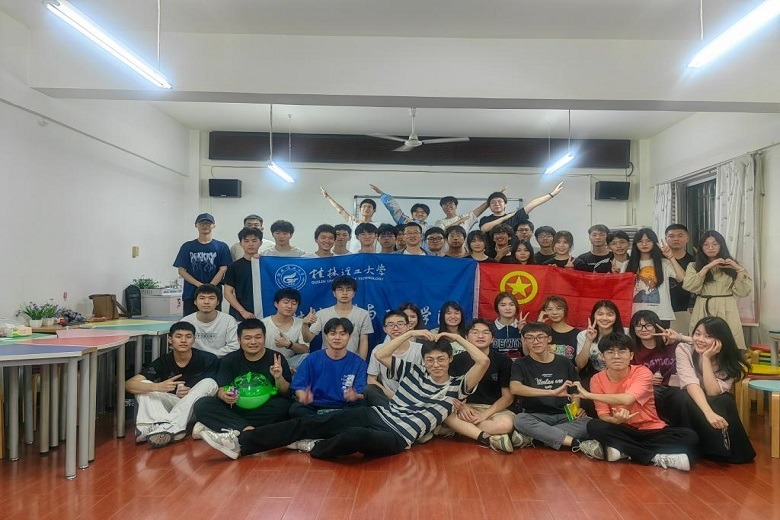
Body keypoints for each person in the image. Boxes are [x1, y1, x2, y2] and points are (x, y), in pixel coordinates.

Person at [199, 328, 490, 461]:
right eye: (431, 360)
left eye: (441, 359)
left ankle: (315, 448)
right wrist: (409, 334)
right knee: (307, 421)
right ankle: (241, 443)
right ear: (424, 360)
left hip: (398, 436)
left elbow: (483, 361)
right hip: (376, 415)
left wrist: (456, 337)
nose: (436, 364)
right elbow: (381, 353)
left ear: (450, 360)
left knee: (354, 439)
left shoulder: (458, 385)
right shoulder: (413, 371)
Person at [574, 332, 698, 472]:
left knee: (690, 437)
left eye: (622, 352)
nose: (616, 356)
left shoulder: (642, 372)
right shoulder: (597, 379)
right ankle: (655, 457)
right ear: (602, 356)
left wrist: (589, 395)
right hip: (623, 429)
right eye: (610, 352)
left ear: (631, 355)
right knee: (594, 426)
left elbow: (628, 399)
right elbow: (603, 415)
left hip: (651, 429)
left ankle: (624, 450)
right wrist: (615, 420)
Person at [668, 316, 755, 463]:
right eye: (697, 333)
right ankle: (691, 446)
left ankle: (720, 450)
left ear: (721, 340)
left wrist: (706, 358)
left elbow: (712, 391)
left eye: (708, 336)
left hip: (709, 395)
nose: (700, 339)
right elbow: (691, 384)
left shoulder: (731, 362)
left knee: (724, 400)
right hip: (685, 394)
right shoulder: (684, 349)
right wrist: (708, 413)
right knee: (684, 397)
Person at [192, 319, 292, 439]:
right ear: (239, 340)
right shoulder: (229, 359)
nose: (253, 342)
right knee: (202, 404)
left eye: (258, 337)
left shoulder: (276, 358)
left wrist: (278, 377)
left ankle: (230, 427)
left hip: (265, 407)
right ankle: (247, 429)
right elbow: (221, 388)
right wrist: (224, 395)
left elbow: (285, 392)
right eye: (247, 338)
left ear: (264, 338)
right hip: (236, 407)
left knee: (283, 405)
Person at [125, 321, 218, 448]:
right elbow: (129, 384)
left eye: (188, 336)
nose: (183, 340)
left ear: (194, 340)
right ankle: (156, 427)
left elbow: (215, 389)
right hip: (173, 406)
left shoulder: (208, 359)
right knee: (145, 385)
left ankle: (165, 426)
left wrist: (191, 392)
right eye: (178, 336)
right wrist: (158, 387)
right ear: (170, 340)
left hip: (198, 408)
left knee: (209, 382)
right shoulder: (163, 361)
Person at [511, 322, 590, 451]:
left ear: (549, 339)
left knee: (589, 423)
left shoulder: (564, 362)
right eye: (530, 338)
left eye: (540, 337)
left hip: (564, 415)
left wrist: (575, 411)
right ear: (524, 341)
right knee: (520, 420)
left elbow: (574, 392)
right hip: (535, 416)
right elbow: (515, 388)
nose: (535, 341)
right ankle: (575, 443)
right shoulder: (520, 364)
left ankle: (537, 437)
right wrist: (551, 392)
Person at [446, 319, 517, 452]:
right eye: (475, 332)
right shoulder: (456, 360)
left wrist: (484, 415)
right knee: (445, 415)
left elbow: (508, 398)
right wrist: (461, 407)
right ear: (466, 338)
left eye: (485, 332)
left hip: (494, 409)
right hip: (465, 408)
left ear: (492, 339)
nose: (480, 336)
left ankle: (462, 431)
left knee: (505, 424)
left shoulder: (503, 361)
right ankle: (495, 437)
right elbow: (449, 391)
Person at [682, 230, 751, 348]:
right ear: (701, 247)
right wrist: (706, 268)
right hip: (703, 306)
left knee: (729, 340)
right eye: (706, 244)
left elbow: (743, 292)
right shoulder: (693, 266)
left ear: (721, 245)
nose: (710, 248)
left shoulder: (734, 264)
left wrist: (739, 270)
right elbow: (690, 286)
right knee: (702, 340)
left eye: (715, 244)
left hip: (726, 306)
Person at [290, 318, 368, 417]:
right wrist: (303, 396)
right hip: (315, 404)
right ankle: (333, 421)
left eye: (342, 334)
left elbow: (361, 392)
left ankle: (320, 422)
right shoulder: (312, 359)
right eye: (332, 334)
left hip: (344, 406)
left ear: (349, 337)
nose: (337, 337)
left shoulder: (359, 363)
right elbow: (298, 386)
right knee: (296, 409)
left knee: (362, 407)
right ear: (326, 336)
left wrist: (355, 396)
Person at [174, 213, 232, 315]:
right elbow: (181, 270)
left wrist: (210, 287)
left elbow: (223, 269)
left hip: (214, 294)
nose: (205, 225)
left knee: (214, 321)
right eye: (202, 223)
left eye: (208, 223)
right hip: (191, 294)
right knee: (190, 322)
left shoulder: (221, 246)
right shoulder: (187, 246)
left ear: (214, 226)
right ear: (196, 225)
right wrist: (199, 285)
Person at [625, 228, 685, 327]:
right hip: (634, 315)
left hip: (661, 315)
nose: (644, 244)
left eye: (648, 241)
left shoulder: (664, 263)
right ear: (635, 244)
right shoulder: (627, 265)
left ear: (655, 243)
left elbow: (682, 277)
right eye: (640, 241)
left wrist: (671, 257)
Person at [302, 276, 373, 360]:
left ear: (354, 293)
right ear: (334, 293)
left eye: (348, 290)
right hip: (327, 360)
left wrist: (361, 363)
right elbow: (307, 339)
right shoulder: (322, 314)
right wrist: (304, 324)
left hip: (352, 360)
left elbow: (364, 341)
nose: (344, 293)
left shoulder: (363, 314)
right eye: (340, 289)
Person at [365, 311, 422, 407]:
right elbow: (371, 380)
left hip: (415, 398)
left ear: (408, 326)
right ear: (384, 329)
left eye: (400, 324)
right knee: (369, 389)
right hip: (389, 398)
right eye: (390, 325)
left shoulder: (419, 349)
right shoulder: (378, 350)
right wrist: (394, 397)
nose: (395, 328)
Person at [629, 310, 678, 420]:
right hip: (649, 389)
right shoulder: (631, 350)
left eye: (648, 325)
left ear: (657, 326)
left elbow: (697, 344)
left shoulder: (671, 343)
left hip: (673, 388)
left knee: (681, 395)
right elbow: (628, 375)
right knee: (650, 393)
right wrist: (647, 379)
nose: (643, 329)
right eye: (638, 326)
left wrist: (678, 337)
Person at [479, 183, 564, 234]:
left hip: (512, 254)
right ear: (489, 206)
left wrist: (552, 194)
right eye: (493, 202)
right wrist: (505, 218)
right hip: (490, 255)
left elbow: (533, 203)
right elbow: (484, 229)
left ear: (505, 204)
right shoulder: (485, 219)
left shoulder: (515, 216)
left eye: (500, 201)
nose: (497, 204)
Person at [181, 284, 239, 358]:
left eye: (211, 298)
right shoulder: (186, 321)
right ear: (195, 302)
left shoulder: (228, 321)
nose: (206, 302)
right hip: (194, 361)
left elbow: (234, 346)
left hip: (220, 360)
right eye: (202, 298)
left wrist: (210, 357)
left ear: (218, 302)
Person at [261, 289, 311, 370]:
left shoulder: (301, 323)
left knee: (306, 357)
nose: (289, 306)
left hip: (290, 362)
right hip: (266, 362)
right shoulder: (263, 324)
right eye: (286, 302)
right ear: (276, 304)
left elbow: (305, 350)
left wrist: (289, 344)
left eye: (294, 303)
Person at [575, 300, 625, 377]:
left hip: (620, 376)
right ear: (594, 316)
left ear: (616, 317)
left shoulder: (626, 334)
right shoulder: (583, 335)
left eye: (609, 314)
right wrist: (588, 340)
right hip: (594, 377)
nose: (604, 318)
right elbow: (580, 365)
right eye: (600, 314)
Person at [320, 187, 376, 252]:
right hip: (354, 255)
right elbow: (341, 210)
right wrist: (327, 196)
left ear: (374, 210)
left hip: (371, 255)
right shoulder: (354, 221)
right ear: (360, 209)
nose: (366, 209)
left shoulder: (377, 225)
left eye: (369, 207)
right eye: (364, 206)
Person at [223, 227, 262, 321]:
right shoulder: (234, 266)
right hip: (240, 314)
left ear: (260, 243)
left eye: (254, 240)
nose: (250, 244)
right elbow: (227, 293)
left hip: (265, 312)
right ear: (241, 243)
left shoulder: (266, 265)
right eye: (246, 241)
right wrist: (243, 312)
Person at [665, 224, 696, 335]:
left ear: (687, 238)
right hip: (662, 310)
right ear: (665, 239)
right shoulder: (659, 259)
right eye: (671, 236)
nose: (676, 239)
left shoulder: (694, 261)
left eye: (680, 235)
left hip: (685, 310)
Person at [434, 188, 505, 231]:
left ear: (456, 206)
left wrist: (496, 196)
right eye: (445, 205)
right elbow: (441, 233)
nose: (448, 206)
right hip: (446, 251)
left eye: (450, 204)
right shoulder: (439, 222)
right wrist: (459, 222)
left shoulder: (465, 218)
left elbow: (481, 209)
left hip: (464, 250)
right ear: (442, 208)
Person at [537, 295, 580, 361]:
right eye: (549, 309)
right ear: (544, 312)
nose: (554, 312)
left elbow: (580, 363)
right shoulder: (542, 332)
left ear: (565, 310)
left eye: (559, 308)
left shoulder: (578, 334)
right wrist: (538, 327)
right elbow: (529, 354)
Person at [491, 292, 525, 359]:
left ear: (516, 307)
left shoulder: (525, 328)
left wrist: (523, 331)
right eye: (503, 305)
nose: (508, 308)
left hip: (520, 365)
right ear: (497, 307)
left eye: (511, 305)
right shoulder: (489, 328)